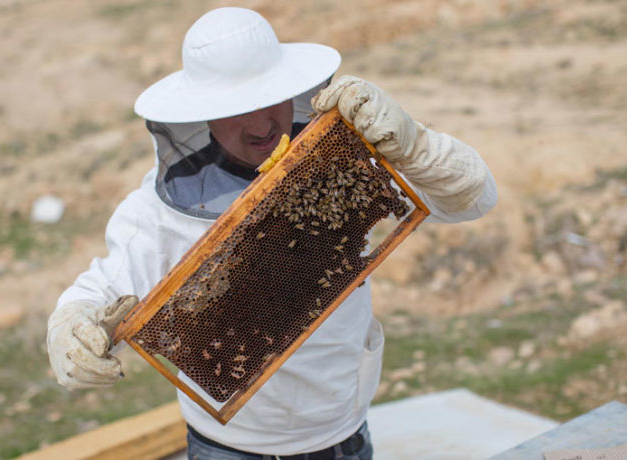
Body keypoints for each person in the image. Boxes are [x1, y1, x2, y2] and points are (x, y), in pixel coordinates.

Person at [46, 7, 497, 460]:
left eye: (271, 100)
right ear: (203, 114)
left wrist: (416, 145)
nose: (261, 125)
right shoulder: (155, 213)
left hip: (341, 436)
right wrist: (73, 321)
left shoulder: (340, 158)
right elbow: (101, 290)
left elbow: (474, 197)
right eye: (237, 110)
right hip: (228, 448)